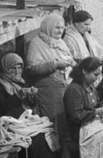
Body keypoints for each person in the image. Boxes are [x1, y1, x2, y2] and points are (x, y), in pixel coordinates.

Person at [0, 52, 57, 158]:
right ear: (4, 68)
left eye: (19, 67)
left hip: (22, 119)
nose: (16, 71)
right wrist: (19, 95)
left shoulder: (19, 82)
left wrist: (31, 96)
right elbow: (1, 107)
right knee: (37, 139)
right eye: (12, 68)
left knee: (48, 132)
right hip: (6, 122)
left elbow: (29, 105)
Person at [25, 13, 75, 146]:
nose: (60, 31)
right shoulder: (36, 43)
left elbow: (70, 59)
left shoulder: (61, 42)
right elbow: (31, 69)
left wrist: (71, 64)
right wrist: (54, 64)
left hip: (65, 86)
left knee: (67, 121)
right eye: (57, 28)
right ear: (48, 27)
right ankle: (54, 156)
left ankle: (66, 155)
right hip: (48, 90)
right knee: (54, 122)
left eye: (62, 28)